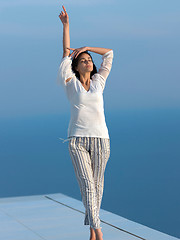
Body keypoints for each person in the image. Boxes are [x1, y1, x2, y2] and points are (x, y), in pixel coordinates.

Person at [57, 5, 113, 240]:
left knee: (96, 188)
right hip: (77, 140)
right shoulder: (71, 83)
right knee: (88, 186)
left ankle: (91, 231)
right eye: (84, 60)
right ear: (76, 66)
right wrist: (66, 26)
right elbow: (65, 55)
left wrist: (88, 46)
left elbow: (109, 53)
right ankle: (99, 232)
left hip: (101, 139)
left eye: (90, 59)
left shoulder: (100, 81)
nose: (89, 62)